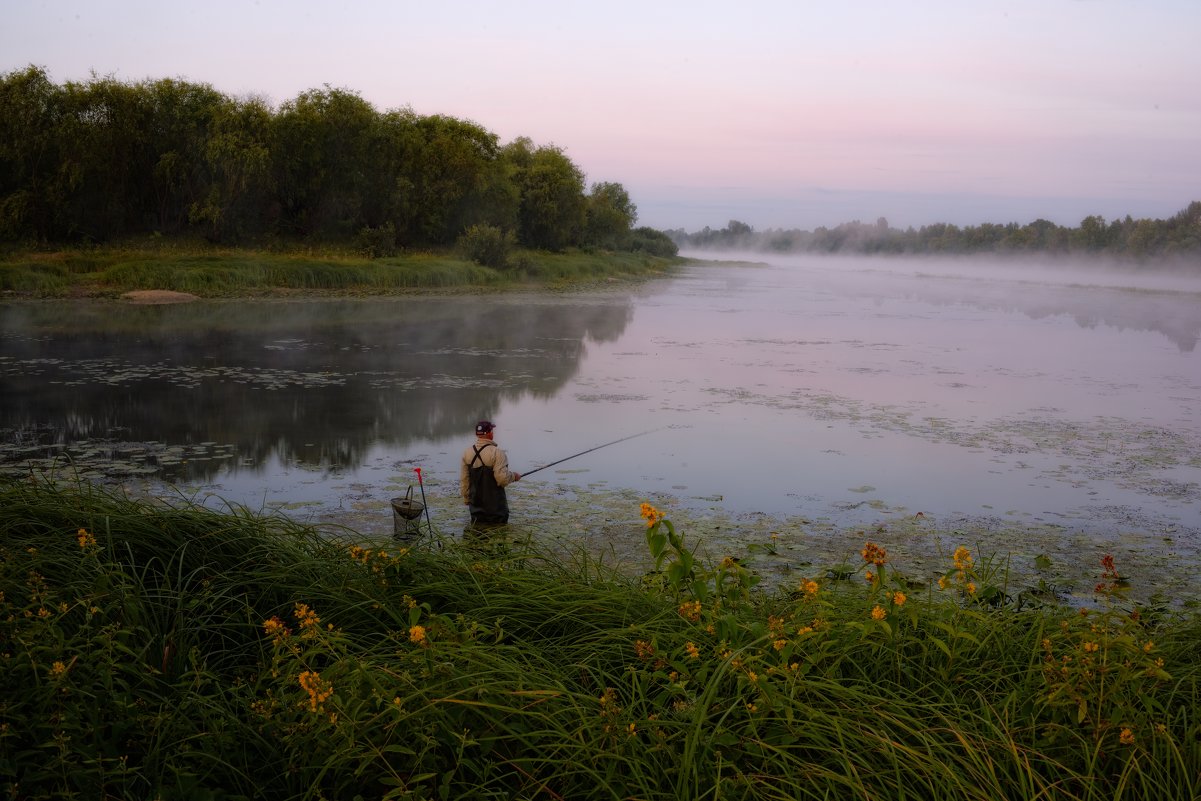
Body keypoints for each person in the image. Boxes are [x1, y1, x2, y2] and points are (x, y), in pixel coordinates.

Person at [460, 420, 521, 528]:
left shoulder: (467, 453)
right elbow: (502, 479)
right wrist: (513, 476)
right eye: (492, 430)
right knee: (498, 539)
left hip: (476, 508)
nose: (493, 433)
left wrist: (466, 499)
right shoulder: (497, 453)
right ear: (488, 433)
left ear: (476, 434)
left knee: (476, 537)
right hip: (496, 510)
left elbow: (465, 480)